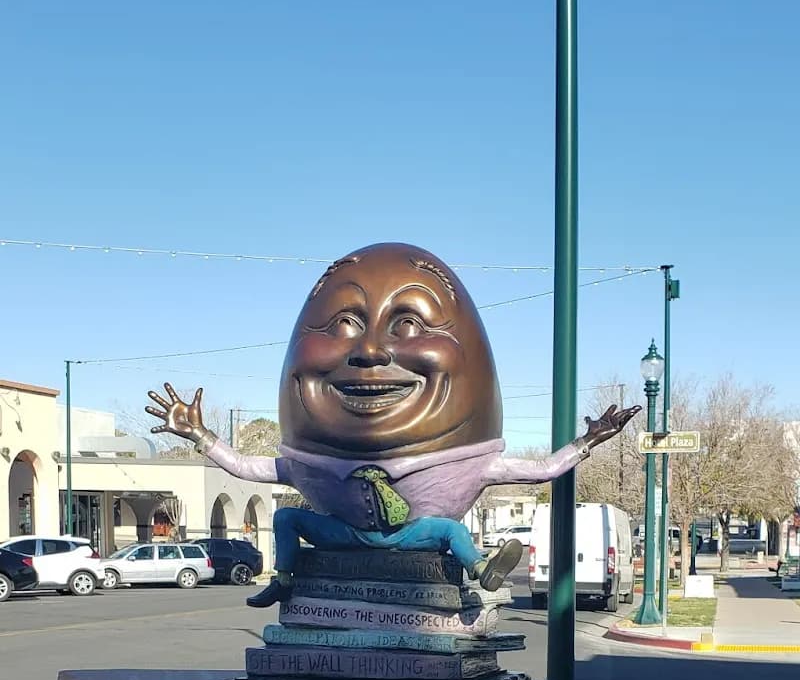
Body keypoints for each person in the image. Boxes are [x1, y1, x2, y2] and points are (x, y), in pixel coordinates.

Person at [146, 243, 639, 607]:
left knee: (446, 529)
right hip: (344, 534)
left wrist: (587, 441)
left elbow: (543, 471)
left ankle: (481, 568)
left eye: (408, 325)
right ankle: (286, 578)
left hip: (408, 537)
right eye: (344, 324)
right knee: (285, 518)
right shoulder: (309, 465)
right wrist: (199, 435)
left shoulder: (470, 463)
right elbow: (247, 467)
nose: (371, 351)